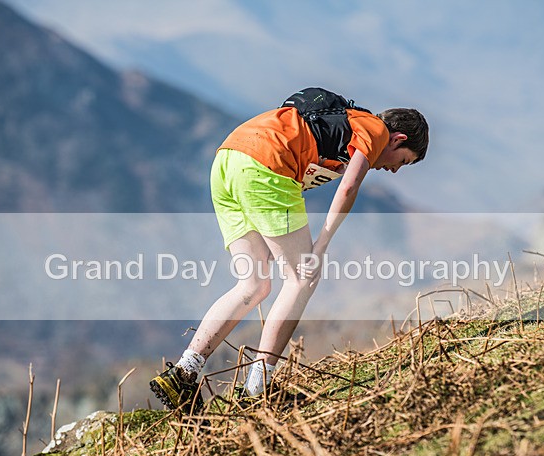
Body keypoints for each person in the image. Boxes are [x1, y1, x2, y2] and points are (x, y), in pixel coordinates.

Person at [150, 88, 429, 413]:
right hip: (266, 167)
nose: (394, 170)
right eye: (404, 161)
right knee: (302, 278)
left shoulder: (344, 128)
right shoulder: (375, 130)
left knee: (253, 285)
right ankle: (258, 391)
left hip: (228, 162)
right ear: (398, 138)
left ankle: (184, 371)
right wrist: (321, 244)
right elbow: (349, 187)